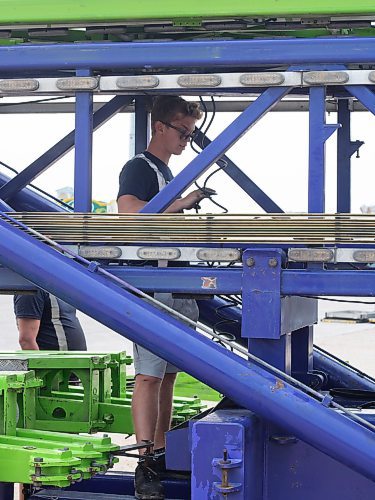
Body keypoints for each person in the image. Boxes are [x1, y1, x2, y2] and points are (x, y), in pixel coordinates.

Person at [117, 95, 209, 500]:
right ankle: (144, 462)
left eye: (189, 132)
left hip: (175, 283)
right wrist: (182, 204)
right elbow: (128, 212)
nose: (186, 139)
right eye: (182, 130)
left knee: (167, 374)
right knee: (150, 374)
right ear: (159, 127)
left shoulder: (164, 171)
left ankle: (161, 451)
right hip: (153, 282)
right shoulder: (139, 167)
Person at [13, 289, 87, 351]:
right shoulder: (31, 291)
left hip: (75, 362)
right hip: (55, 363)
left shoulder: (59, 287)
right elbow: (26, 340)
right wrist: (40, 366)